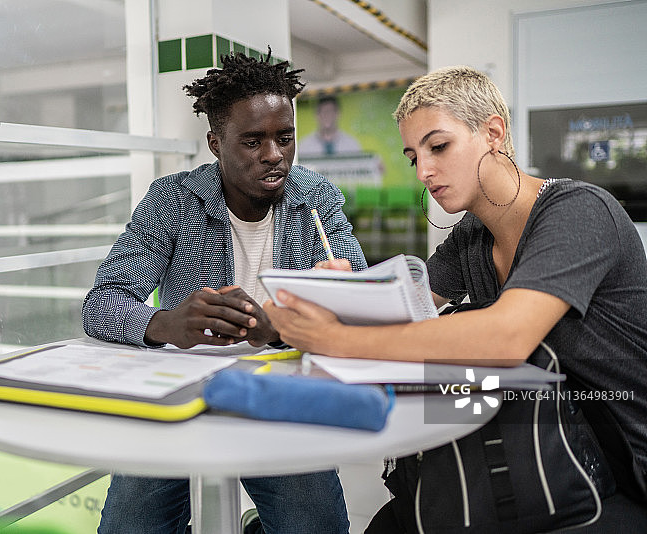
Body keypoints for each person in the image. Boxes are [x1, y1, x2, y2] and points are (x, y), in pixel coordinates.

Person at [265, 65, 647, 531]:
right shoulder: (474, 234)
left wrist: (337, 338)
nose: (424, 171)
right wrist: (339, 297)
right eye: (412, 156)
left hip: (622, 470)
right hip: (541, 451)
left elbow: (505, 336)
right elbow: (400, 308)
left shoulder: (580, 211)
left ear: (493, 132)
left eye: (439, 146)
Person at [82, 50, 366, 534]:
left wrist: (290, 324)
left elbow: (360, 302)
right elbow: (102, 302)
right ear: (216, 143)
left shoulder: (316, 199)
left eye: (285, 137)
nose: (274, 154)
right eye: (253, 141)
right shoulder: (172, 201)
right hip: (183, 393)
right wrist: (163, 323)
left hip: (281, 395)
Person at [298, 96, 362, 157]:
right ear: (317, 115)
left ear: (338, 114)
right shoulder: (304, 145)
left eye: (330, 111)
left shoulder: (352, 144)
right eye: (323, 112)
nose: (327, 115)